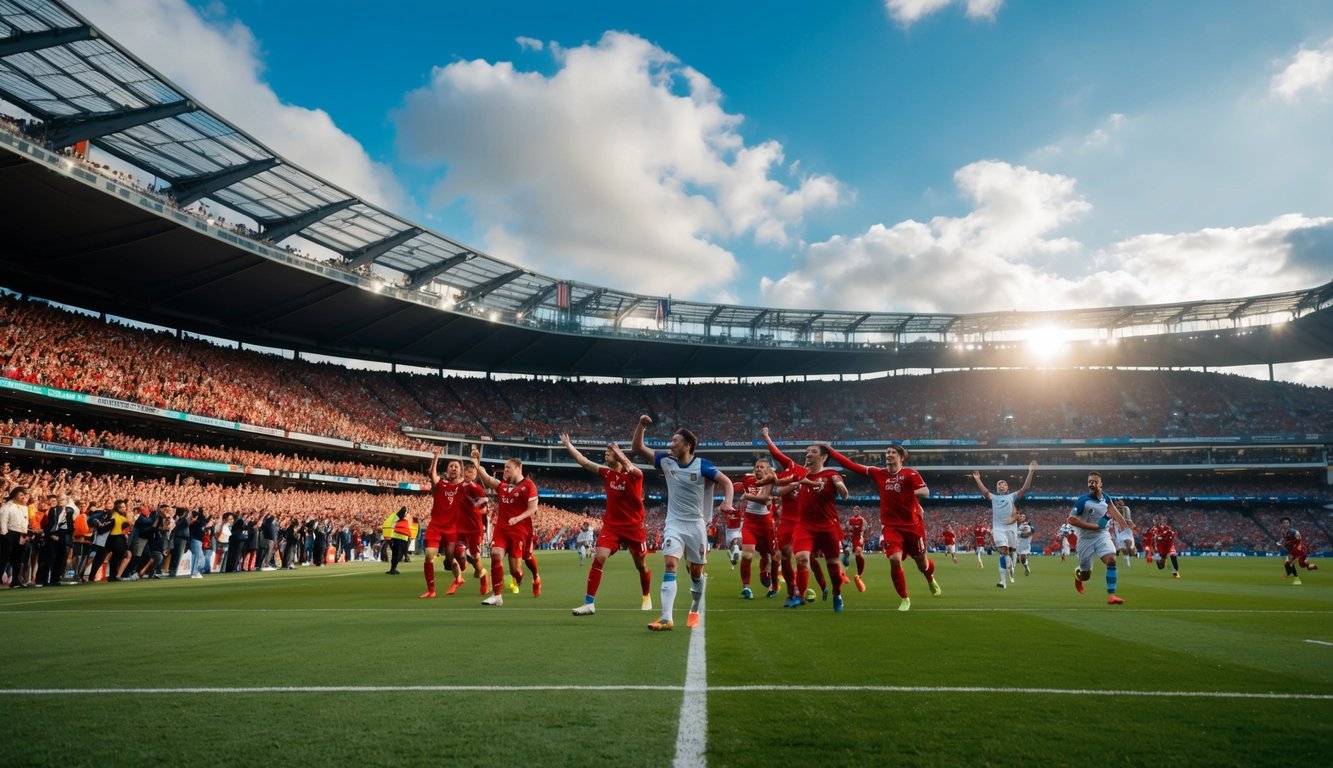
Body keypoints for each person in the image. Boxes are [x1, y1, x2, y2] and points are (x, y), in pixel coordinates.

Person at [632, 415, 735, 631]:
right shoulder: (666, 462)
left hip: (696, 525)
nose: (671, 444)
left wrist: (727, 502)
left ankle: (695, 607)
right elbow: (638, 447)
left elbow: (726, 482)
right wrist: (642, 425)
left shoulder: (701, 465)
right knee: (670, 565)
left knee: (696, 573)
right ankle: (666, 618)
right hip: (674, 524)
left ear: (686, 445)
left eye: (675, 441)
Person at [824, 443, 939, 612]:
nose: (889, 454)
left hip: (913, 527)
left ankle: (930, 578)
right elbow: (852, 466)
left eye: (893, 452)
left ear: (901, 457)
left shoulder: (910, 473)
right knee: (894, 560)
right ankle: (904, 598)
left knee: (923, 565)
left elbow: (925, 492)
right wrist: (831, 451)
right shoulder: (879, 473)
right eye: (887, 452)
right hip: (891, 526)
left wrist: (906, 493)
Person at [561, 434, 653, 615]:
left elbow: (633, 469)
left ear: (619, 456)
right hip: (612, 527)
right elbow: (584, 461)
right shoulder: (607, 473)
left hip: (634, 527)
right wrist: (568, 444)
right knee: (599, 557)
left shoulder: (635, 475)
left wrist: (619, 452)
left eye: (608, 453)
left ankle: (646, 596)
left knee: (641, 566)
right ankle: (589, 603)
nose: (605, 455)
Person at [779, 444, 850, 612]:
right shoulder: (800, 474)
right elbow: (780, 489)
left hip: (828, 527)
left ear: (823, 457)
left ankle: (837, 593)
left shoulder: (831, 474)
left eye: (813, 451)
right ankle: (799, 596)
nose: (808, 454)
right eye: (807, 451)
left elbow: (845, 495)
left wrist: (839, 485)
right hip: (805, 525)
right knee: (802, 558)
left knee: (833, 564)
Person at [470, 448, 538, 607]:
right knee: (495, 554)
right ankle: (497, 595)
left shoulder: (529, 486)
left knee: (515, 571)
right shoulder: (502, 486)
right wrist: (477, 462)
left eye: (508, 467)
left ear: (518, 468)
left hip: (518, 531)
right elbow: (486, 477)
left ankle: (530, 577)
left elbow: (532, 509)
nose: (505, 470)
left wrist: (517, 518)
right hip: (502, 528)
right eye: (504, 467)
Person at [421, 447, 485, 599]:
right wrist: (436, 457)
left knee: (453, 560)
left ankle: (464, 576)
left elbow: (474, 479)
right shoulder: (441, 484)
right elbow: (432, 474)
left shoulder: (464, 486)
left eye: (456, 466)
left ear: (461, 472)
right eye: (451, 466)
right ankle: (431, 590)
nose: (454, 468)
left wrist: (477, 462)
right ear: (447, 470)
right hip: (436, 525)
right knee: (429, 554)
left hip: (453, 528)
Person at [971, 461, 1036, 588]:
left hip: (1011, 529)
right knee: (1003, 551)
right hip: (998, 529)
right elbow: (985, 492)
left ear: (1007, 488)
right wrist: (978, 479)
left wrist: (1031, 472)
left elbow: (1025, 488)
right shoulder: (994, 497)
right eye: (999, 484)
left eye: (1004, 484)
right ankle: (1003, 581)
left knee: (1011, 553)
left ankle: (1011, 567)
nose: (1001, 485)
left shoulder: (1012, 497)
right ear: (997, 488)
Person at [1068, 472, 1130, 605]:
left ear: (1100, 484)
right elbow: (1071, 519)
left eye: (1095, 482)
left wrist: (1123, 523)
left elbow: (1114, 511)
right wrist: (1091, 526)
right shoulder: (1082, 500)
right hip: (1085, 539)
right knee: (1086, 575)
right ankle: (1078, 575)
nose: (1092, 484)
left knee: (1112, 560)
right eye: (1090, 481)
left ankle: (1112, 595)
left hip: (1102, 535)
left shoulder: (1106, 498)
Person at [1278, 517, 1318, 584]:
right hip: (1294, 550)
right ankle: (1312, 566)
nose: (1285, 524)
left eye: (1287, 523)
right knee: (1303, 565)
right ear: (1281, 524)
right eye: (1284, 523)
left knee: (1287, 562)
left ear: (1289, 524)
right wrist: (1280, 542)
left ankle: (1293, 577)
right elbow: (1284, 539)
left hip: (1299, 549)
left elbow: (1299, 540)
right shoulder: (1283, 532)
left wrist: (1290, 542)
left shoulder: (1294, 532)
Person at [845, 506, 868, 592]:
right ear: (853, 510)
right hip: (853, 538)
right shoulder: (850, 519)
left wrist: (862, 530)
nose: (856, 511)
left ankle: (860, 573)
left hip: (859, 537)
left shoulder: (862, 519)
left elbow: (865, 527)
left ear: (859, 511)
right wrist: (850, 529)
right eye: (854, 509)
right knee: (856, 556)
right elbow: (847, 525)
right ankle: (857, 573)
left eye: (857, 510)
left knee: (858, 552)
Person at [1151, 514, 1180, 579]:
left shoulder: (1166, 527)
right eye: (1155, 521)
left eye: (1157, 520)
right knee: (1161, 567)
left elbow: (1170, 534)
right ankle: (1159, 559)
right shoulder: (1153, 529)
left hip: (1168, 545)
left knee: (1173, 555)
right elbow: (1153, 539)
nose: (1156, 522)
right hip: (1160, 547)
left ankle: (1176, 571)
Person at [1110, 500, 1136, 568]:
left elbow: (1133, 526)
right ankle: (1127, 560)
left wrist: (1130, 525)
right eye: (1117, 507)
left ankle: (1134, 552)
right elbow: (1110, 525)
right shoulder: (1113, 518)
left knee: (1129, 546)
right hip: (1119, 536)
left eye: (1119, 507)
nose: (1118, 509)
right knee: (1124, 551)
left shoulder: (1127, 517)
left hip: (1127, 535)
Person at [386, 507, 411, 575]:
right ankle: (393, 569)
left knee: (396, 554)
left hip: (397, 537)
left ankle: (393, 568)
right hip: (401, 538)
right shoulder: (402, 518)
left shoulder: (397, 518)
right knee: (398, 554)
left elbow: (391, 522)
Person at [1014, 511, 1035, 576]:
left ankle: (1026, 568)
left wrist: (1021, 533)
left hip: (1025, 544)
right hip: (1018, 543)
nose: (1021, 517)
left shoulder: (1027, 525)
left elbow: (1029, 533)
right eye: (1020, 516)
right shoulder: (1019, 525)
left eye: (1023, 516)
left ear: (1025, 518)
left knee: (1023, 560)